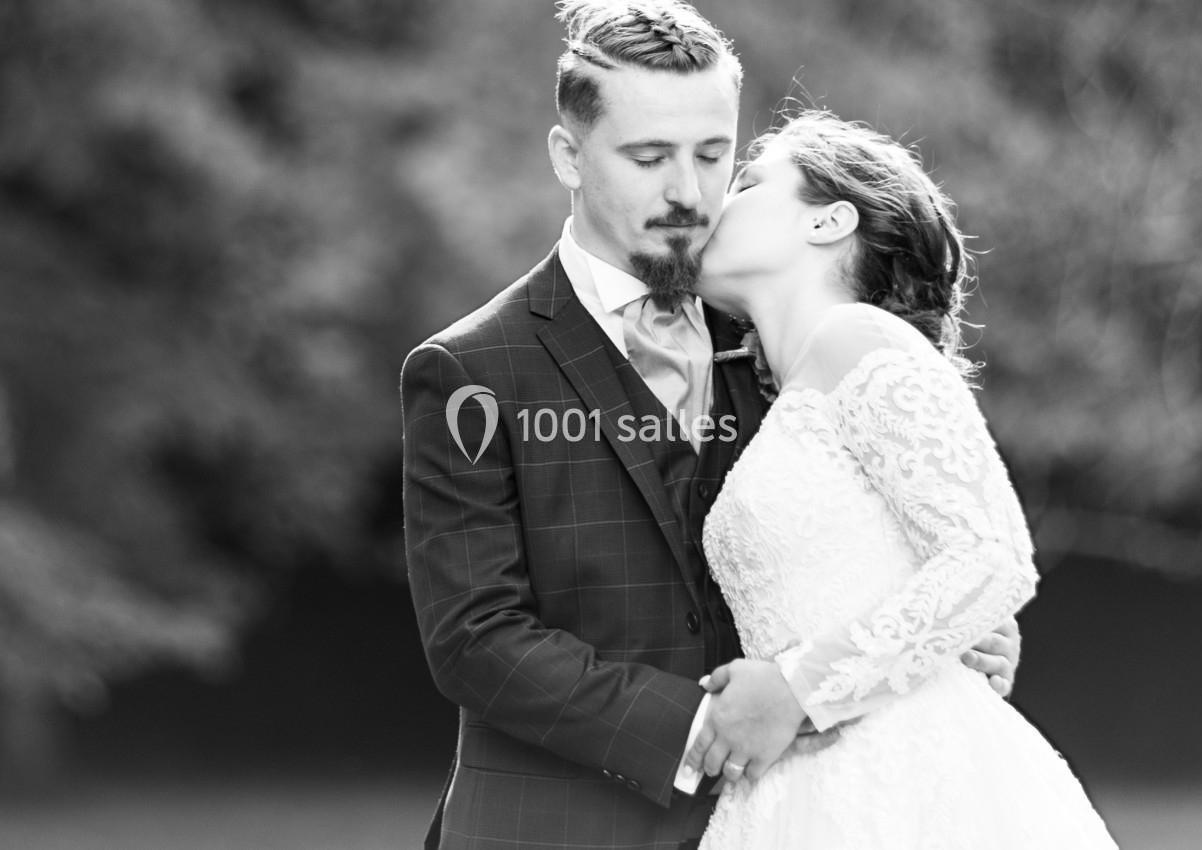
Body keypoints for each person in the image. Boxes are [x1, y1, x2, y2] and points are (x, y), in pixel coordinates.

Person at [402, 3, 1019, 848]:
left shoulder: (790, 342)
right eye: (649, 157)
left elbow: (885, 541)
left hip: (788, 817)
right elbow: (476, 638)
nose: (688, 193)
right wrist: (704, 728)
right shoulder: (469, 368)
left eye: (713, 154)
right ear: (569, 156)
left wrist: (945, 642)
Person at [686, 109, 1118, 848]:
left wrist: (796, 689)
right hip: (795, 787)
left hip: (900, 778)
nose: (714, 204)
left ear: (827, 221)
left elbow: (990, 555)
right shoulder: (789, 396)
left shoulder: (857, 337)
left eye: (748, 184)